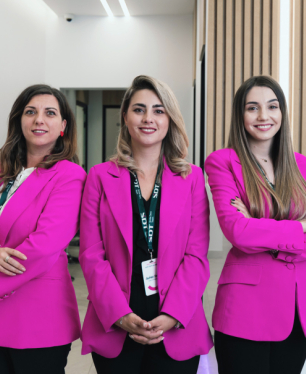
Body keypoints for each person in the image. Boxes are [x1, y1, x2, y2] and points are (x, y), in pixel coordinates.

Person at [79, 75, 213, 374]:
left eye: (158, 110)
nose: (148, 118)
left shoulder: (191, 178)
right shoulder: (99, 177)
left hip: (176, 322)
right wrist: (119, 315)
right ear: (125, 117)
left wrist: (173, 315)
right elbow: (91, 255)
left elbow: (196, 256)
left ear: (169, 119)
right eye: (139, 109)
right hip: (116, 321)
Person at [205, 76, 306, 374]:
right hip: (245, 310)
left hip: (298, 309)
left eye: (272, 106)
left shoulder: (301, 164)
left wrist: (258, 227)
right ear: (240, 115)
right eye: (253, 107)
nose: (263, 116)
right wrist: (304, 226)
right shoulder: (223, 162)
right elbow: (237, 232)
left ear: (282, 112)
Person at [0, 84, 86, 373]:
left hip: (37, 321)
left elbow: (44, 246)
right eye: (31, 112)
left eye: (50, 113)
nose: (39, 119)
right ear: (19, 120)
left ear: (63, 126)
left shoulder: (70, 176)